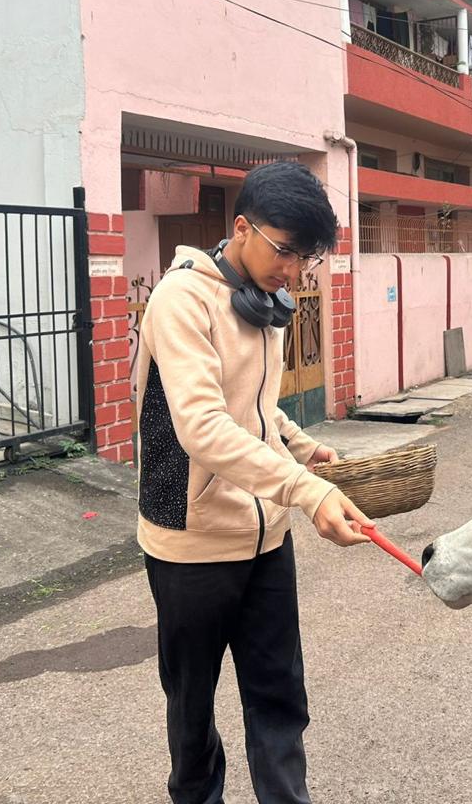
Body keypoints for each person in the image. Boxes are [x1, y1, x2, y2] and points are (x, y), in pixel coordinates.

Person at [136, 160, 373, 804]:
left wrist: (301, 445)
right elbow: (204, 426)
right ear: (242, 227)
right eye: (286, 252)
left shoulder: (263, 299)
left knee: (279, 698)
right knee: (191, 714)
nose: (294, 272)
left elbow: (256, 407)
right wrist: (304, 489)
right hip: (192, 544)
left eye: (307, 260)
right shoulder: (181, 298)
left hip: (266, 540)